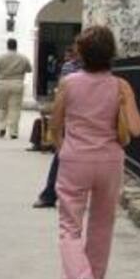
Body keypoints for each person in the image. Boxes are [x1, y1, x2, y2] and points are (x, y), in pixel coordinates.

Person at [48, 26, 140, 279]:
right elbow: (136, 128)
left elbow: (55, 125)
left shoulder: (69, 83)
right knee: (102, 223)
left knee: (69, 224)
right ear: (111, 53)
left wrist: (63, 148)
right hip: (109, 161)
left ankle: (77, 275)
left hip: (76, 159)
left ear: (80, 52)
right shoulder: (120, 86)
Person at [33, 43, 83, 208]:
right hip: (75, 118)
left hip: (79, 119)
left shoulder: (74, 72)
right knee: (62, 157)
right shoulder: (71, 69)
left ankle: (52, 194)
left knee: (63, 157)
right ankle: (51, 194)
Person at [0, 38, 31, 139]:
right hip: (17, 83)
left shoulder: (1, 57)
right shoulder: (23, 58)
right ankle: (13, 132)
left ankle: (1, 127)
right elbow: (29, 69)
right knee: (15, 108)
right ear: (16, 46)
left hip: (2, 83)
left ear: (7, 46)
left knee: (1, 107)